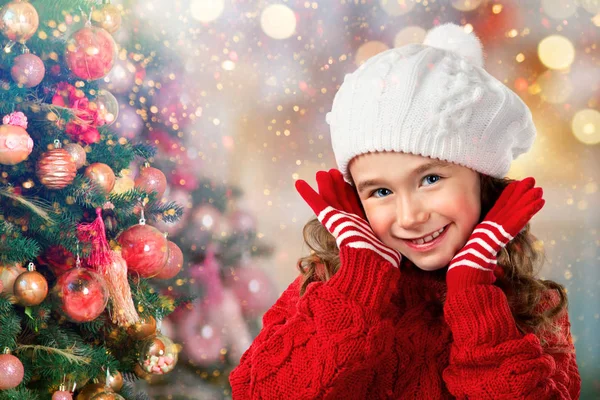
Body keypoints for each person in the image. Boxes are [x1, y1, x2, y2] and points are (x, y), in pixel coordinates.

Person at [229, 23, 580, 399]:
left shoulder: (530, 306)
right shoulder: (325, 286)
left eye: (430, 179)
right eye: (381, 191)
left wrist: (472, 295)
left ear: (480, 177)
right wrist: (360, 280)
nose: (410, 216)